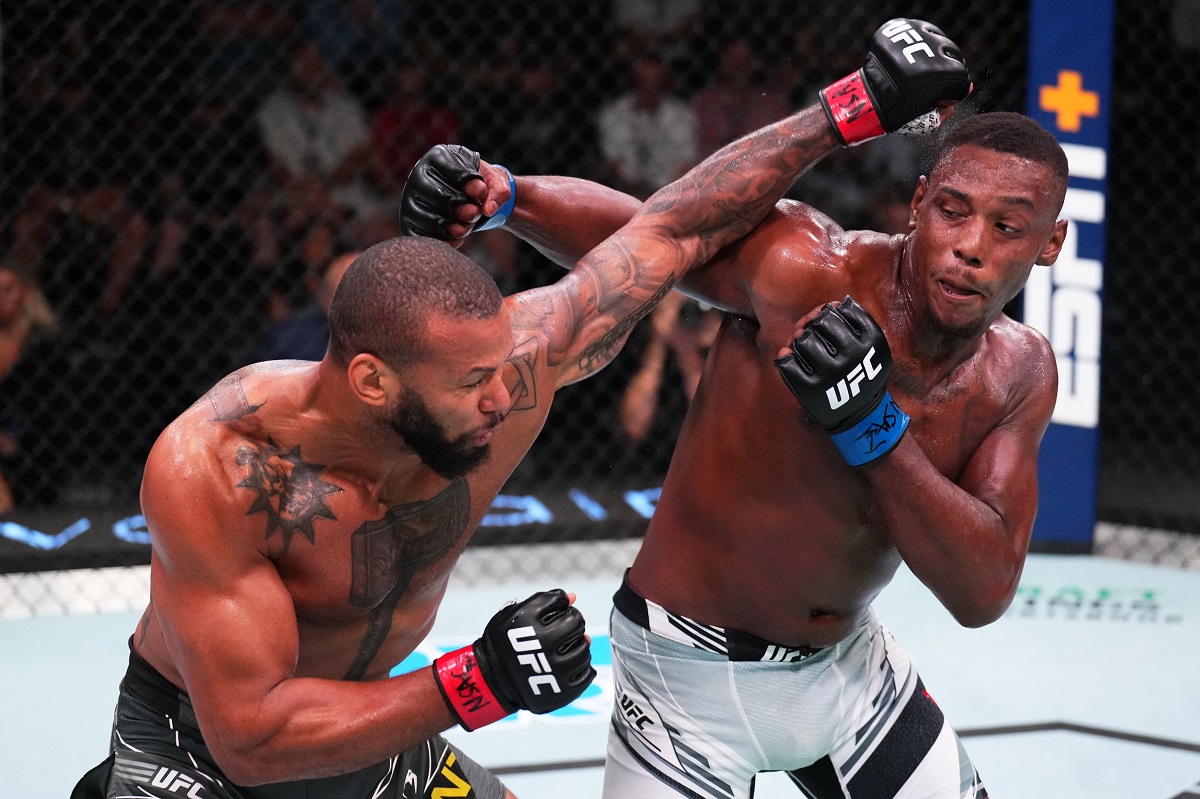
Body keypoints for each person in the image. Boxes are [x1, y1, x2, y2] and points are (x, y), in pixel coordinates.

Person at [75, 17, 970, 797]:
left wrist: (850, 107)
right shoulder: (220, 467)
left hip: (365, 735)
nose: (504, 397)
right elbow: (253, 736)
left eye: (501, 366)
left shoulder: (513, 366)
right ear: (374, 382)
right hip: (199, 751)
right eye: (471, 384)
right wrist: (478, 680)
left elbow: (673, 230)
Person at [404, 18, 1063, 798]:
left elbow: (983, 591)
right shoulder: (809, 270)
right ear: (918, 203)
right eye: (953, 210)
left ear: (1049, 244)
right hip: (685, 679)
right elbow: (653, 233)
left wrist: (873, 427)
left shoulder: (1019, 371)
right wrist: (508, 198)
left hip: (850, 676)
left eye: (1007, 228)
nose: (972, 245)